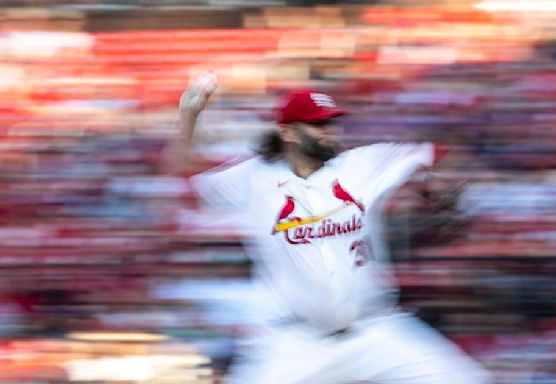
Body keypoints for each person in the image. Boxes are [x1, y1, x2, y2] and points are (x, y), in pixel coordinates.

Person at [174, 72, 492, 384]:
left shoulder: (362, 164)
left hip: (375, 332)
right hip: (295, 344)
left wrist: (438, 189)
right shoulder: (253, 179)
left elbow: (433, 156)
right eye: (317, 124)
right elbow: (186, 175)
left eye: (331, 122)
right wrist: (188, 116)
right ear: (288, 132)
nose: (330, 131)